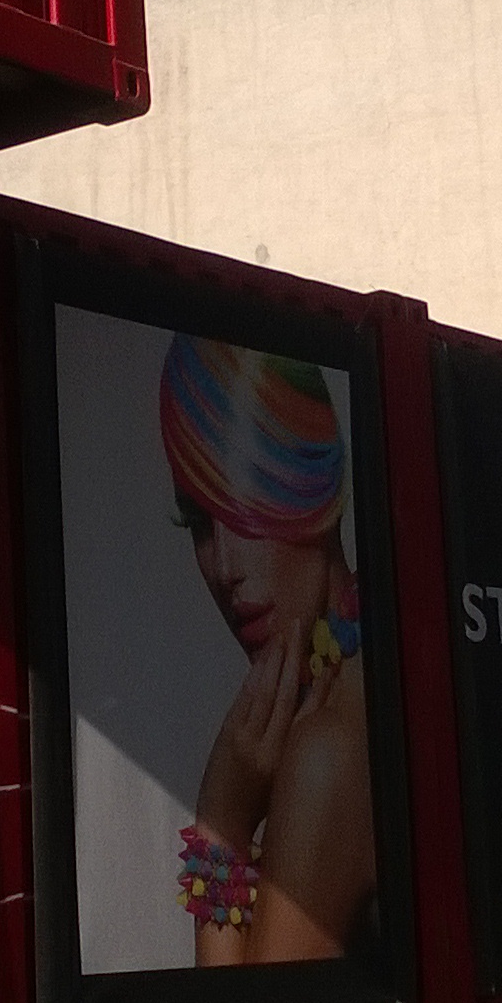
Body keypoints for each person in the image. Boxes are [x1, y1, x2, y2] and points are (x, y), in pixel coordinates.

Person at [163, 335, 374, 965]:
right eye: (199, 522)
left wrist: (221, 825)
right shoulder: (354, 680)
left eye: (245, 503)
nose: (226, 567)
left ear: (318, 487)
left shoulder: (329, 750)